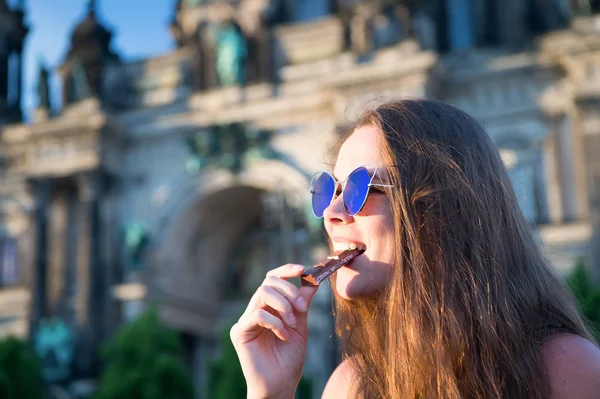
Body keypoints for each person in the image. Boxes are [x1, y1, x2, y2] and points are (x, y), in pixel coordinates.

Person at [230, 99, 600, 398]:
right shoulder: (350, 386)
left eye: (362, 189)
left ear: (444, 208)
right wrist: (271, 392)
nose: (331, 213)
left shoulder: (565, 370)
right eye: (329, 190)